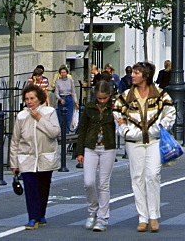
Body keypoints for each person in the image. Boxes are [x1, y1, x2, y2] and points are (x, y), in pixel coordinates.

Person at [114, 61, 175, 232]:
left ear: (145, 76)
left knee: (153, 175)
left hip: (154, 141)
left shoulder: (161, 94)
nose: (132, 75)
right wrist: (125, 131)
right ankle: (143, 217)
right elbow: (117, 114)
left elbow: (170, 113)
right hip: (134, 143)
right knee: (137, 178)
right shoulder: (126, 96)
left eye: (136, 73)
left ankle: (154, 216)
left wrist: (159, 127)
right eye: (133, 72)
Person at [9, 84, 60, 230]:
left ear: (39, 99)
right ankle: (33, 217)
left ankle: (40, 214)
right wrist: (14, 163)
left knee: (43, 188)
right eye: (27, 99)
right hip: (27, 158)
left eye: (32, 98)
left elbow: (54, 132)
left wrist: (39, 119)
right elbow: (15, 140)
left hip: (45, 158)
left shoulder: (49, 112)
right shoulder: (21, 116)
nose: (29, 101)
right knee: (31, 188)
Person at [75, 80, 117, 232]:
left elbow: (120, 125)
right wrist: (79, 151)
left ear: (109, 96)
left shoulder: (114, 108)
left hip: (108, 146)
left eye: (105, 98)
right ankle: (92, 210)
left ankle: (102, 217)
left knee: (103, 184)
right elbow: (83, 129)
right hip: (91, 146)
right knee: (89, 182)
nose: (102, 101)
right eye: (99, 98)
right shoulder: (89, 108)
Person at [52, 65, 78, 136]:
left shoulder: (70, 81)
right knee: (61, 117)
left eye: (64, 72)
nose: (63, 74)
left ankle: (67, 132)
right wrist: (60, 99)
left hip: (69, 99)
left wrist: (76, 102)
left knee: (68, 117)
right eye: (61, 72)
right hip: (62, 98)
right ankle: (62, 132)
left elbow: (73, 92)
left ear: (67, 73)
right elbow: (56, 93)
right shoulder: (58, 82)